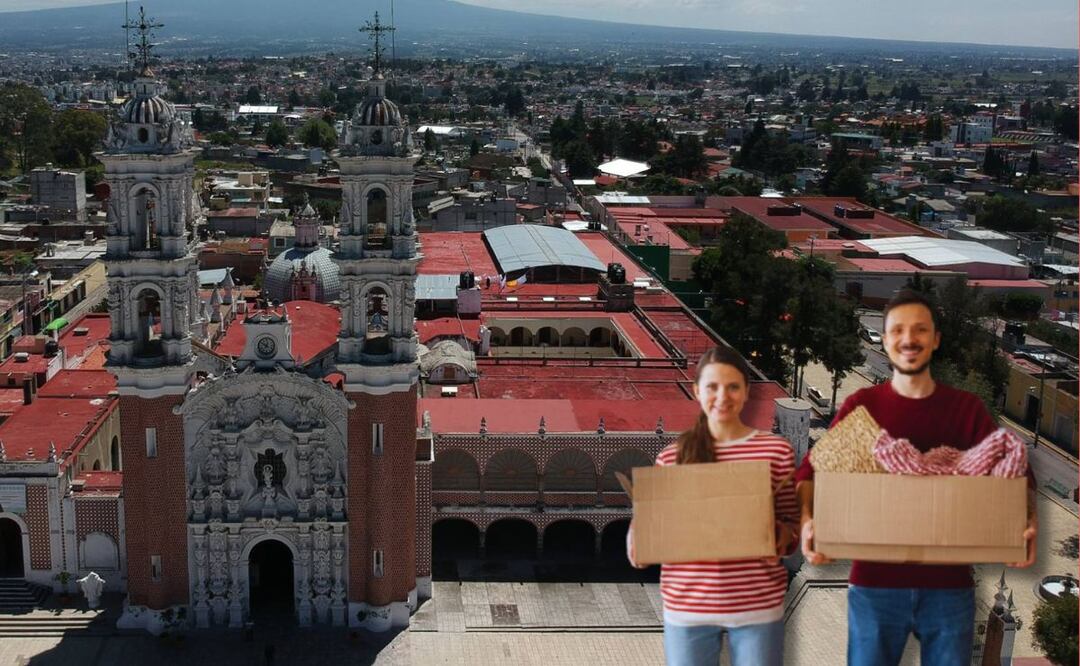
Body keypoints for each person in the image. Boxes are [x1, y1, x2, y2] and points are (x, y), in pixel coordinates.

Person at [796, 289, 1038, 666]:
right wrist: (810, 520)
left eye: (920, 330)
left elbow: (1017, 478)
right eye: (898, 332)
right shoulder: (864, 409)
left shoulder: (965, 410)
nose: (908, 340)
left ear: (935, 339)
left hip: (948, 588)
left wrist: (1024, 522)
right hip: (875, 585)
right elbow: (812, 472)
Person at [628, 346, 799, 666]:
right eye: (712, 387)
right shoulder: (671, 457)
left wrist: (778, 534)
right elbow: (647, 533)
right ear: (697, 391)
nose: (722, 396)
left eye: (732, 386)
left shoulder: (776, 452)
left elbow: (792, 533)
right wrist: (640, 542)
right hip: (688, 605)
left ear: (747, 391)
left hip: (756, 605)